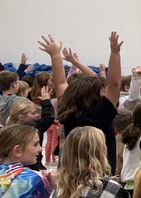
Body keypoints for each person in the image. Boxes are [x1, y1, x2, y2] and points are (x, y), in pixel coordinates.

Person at [49, 34, 123, 171]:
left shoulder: (68, 111)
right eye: (103, 91)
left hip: (71, 172)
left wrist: (55, 55)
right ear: (93, 95)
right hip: (100, 173)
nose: (105, 93)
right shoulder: (99, 115)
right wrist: (115, 53)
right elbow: (114, 84)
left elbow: (60, 83)